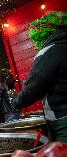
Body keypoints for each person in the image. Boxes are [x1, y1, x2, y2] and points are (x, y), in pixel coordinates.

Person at [12, 11, 67, 142]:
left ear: (41, 35)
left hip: (63, 120)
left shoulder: (49, 51)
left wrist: (16, 102)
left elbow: (34, 88)